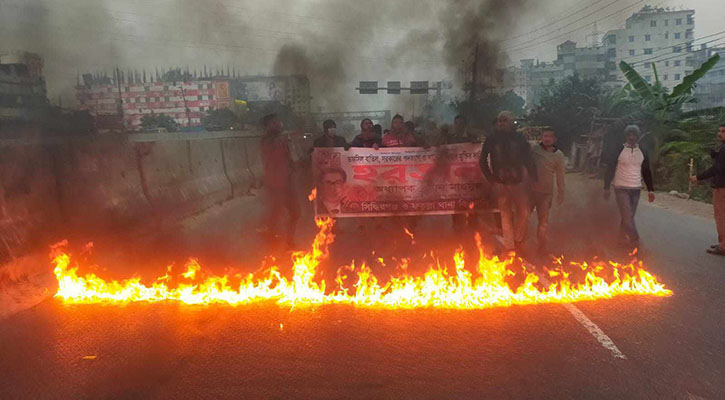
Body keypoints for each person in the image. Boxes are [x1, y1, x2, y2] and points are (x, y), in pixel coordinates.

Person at [479, 111, 537, 254]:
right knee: (505, 214)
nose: (501, 124)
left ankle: (518, 240)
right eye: (499, 121)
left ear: (511, 122)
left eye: (504, 121)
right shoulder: (491, 139)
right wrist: (491, 179)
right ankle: (510, 246)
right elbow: (482, 160)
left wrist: (534, 179)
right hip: (500, 183)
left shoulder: (519, 138)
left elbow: (529, 159)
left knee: (524, 212)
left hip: (518, 182)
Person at [603, 124, 655, 248]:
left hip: (636, 188)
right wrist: (606, 187)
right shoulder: (619, 149)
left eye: (634, 135)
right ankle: (635, 241)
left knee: (629, 216)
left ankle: (621, 239)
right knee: (627, 217)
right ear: (626, 136)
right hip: (621, 187)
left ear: (638, 137)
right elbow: (610, 168)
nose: (631, 137)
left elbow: (646, 171)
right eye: (629, 135)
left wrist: (651, 190)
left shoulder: (642, 151)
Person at [260, 113, 300, 248]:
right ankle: (273, 238)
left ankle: (287, 240)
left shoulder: (284, 140)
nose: (278, 124)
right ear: (267, 127)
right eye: (274, 123)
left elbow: (293, 159)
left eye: (279, 122)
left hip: (287, 182)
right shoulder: (268, 141)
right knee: (276, 213)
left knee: (295, 213)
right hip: (276, 184)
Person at [690, 123, 725, 256]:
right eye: (719, 131)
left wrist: (698, 177)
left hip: (722, 187)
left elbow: (717, 169)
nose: (719, 133)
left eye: (723, 131)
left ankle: (723, 247)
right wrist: (715, 156)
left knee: (721, 216)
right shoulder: (722, 148)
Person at [530, 128, 566, 254]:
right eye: (545, 136)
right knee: (522, 218)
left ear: (554, 139)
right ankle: (518, 244)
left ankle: (541, 247)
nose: (547, 138)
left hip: (546, 193)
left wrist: (561, 192)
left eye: (550, 136)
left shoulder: (559, 155)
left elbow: (560, 175)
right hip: (529, 192)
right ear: (541, 137)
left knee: (543, 221)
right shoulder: (533, 150)